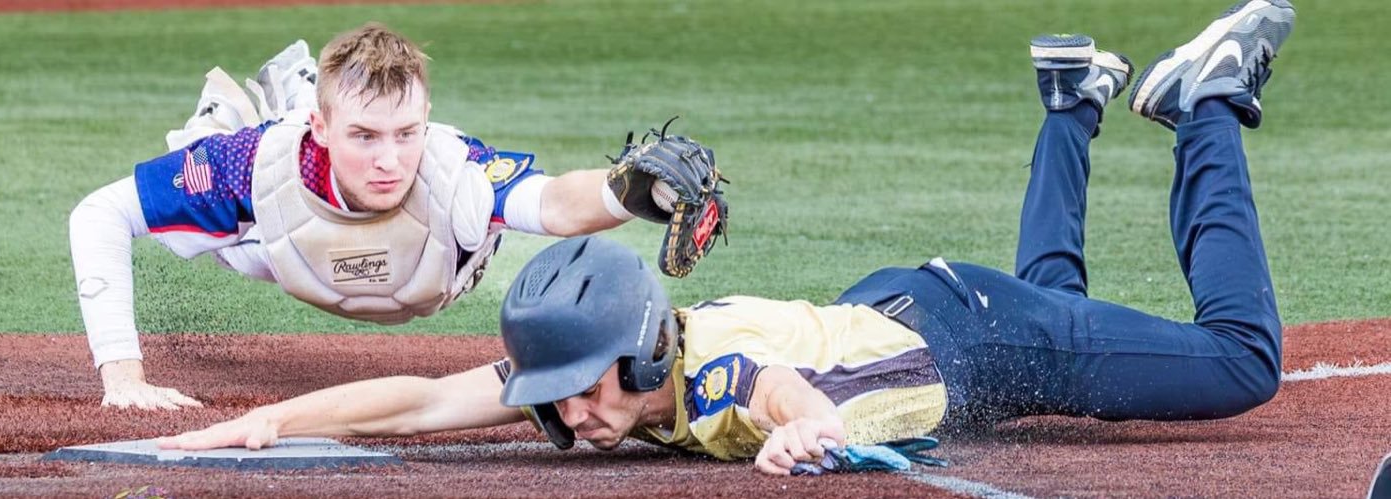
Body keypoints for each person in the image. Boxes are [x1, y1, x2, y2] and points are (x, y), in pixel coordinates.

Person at [158, 0, 1295, 475]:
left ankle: (1205, 105)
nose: (570, 414)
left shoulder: (709, 370)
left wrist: (800, 439)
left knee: (1240, 360)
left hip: (973, 331)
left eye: (581, 392)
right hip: (921, 314)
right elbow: (410, 400)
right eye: (557, 397)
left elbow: (784, 391)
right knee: (1058, 311)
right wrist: (262, 423)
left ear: (647, 353)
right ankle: (1071, 108)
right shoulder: (595, 358)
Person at [68, 23, 727, 410]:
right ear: (321, 128)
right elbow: (98, 213)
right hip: (278, 244)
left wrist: (630, 191)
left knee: (469, 201)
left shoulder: (451, 169)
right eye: (364, 136)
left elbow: (552, 202)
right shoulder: (253, 166)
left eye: (405, 132)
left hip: (435, 264)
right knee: (218, 201)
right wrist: (124, 377)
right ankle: (245, 111)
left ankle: (288, 92)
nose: (390, 160)